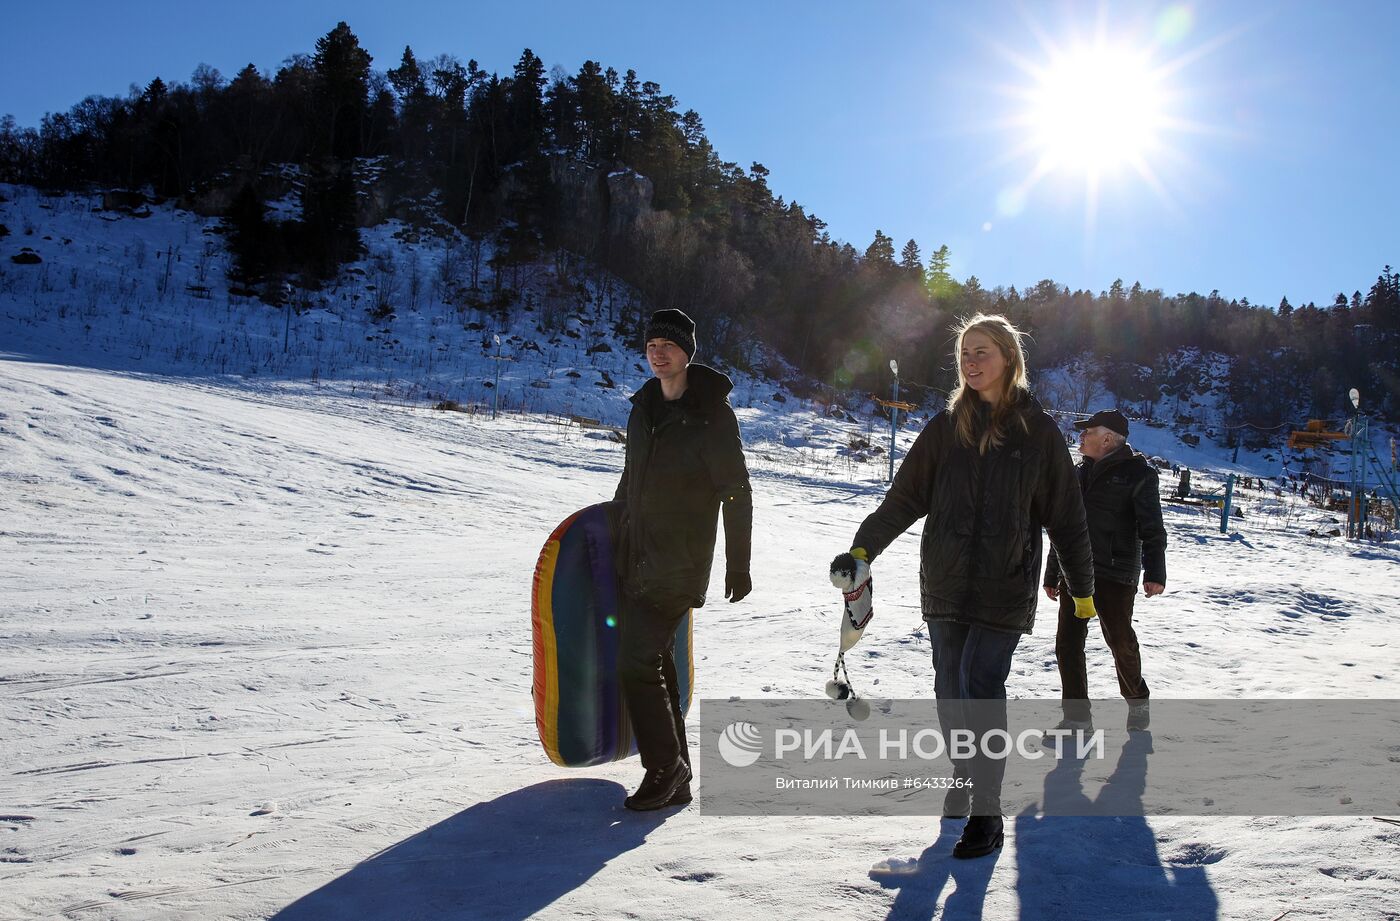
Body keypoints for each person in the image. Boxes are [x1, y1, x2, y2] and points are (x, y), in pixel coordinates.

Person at [832, 314, 1095, 859]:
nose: (972, 362)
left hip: (1006, 587)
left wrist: (1083, 589)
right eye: (964, 354)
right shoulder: (945, 427)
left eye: (982, 352)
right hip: (946, 582)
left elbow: (1067, 519)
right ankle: (963, 768)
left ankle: (987, 811)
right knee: (950, 688)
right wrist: (862, 551)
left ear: (1008, 359)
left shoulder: (1038, 433)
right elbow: (905, 498)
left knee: (980, 686)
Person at [613, 308, 753, 811]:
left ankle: (664, 768)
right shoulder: (643, 407)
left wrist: (739, 563)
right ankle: (681, 775)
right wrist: (611, 534)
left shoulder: (711, 414)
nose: (658, 352)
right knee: (657, 664)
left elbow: (736, 490)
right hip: (639, 557)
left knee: (635, 659)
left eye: (668, 345)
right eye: (652, 344)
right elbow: (630, 482)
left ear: (687, 353)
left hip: (680, 562)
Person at [1044, 409, 1167, 735]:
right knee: (1067, 645)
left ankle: (1137, 699)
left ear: (1108, 439)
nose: (1081, 436)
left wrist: (1155, 571)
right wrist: (1051, 573)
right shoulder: (1076, 474)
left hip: (1116, 573)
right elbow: (1062, 526)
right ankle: (1077, 721)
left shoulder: (1138, 474)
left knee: (1120, 641)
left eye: (1088, 431)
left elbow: (1152, 528)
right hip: (1076, 573)